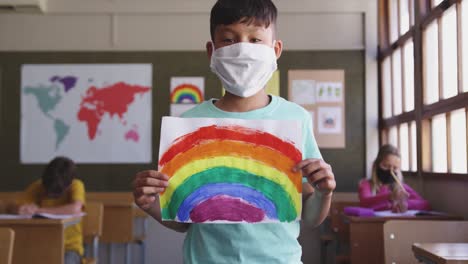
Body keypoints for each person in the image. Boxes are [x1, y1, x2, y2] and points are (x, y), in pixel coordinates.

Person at [133, 0, 336, 263]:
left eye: (255, 39)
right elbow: (184, 220)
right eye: (229, 40)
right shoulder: (190, 124)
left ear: (275, 49)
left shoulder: (295, 118)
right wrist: (150, 205)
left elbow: (310, 217)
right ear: (212, 50)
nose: (242, 49)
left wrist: (324, 192)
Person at [16, 156, 85, 264]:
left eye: (57, 192)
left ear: (69, 184)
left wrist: (39, 211)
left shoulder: (76, 185)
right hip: (40, 246)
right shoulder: (38, 186)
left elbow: (75, 208)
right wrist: (21, 209)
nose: (51, 195)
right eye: (48, 190)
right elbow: (18, 207)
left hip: (69, 248)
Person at [359, 144, 430, 213]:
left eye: (395, 168)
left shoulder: (401, 187)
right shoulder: (366, 184)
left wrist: (406, 205)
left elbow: (425, 204)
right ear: (376, 165)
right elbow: (365, 203)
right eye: (386, 166)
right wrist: (390, 197)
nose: (390, 171)